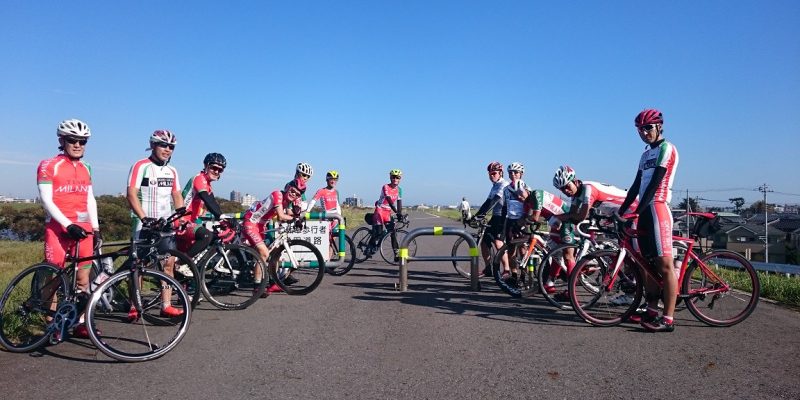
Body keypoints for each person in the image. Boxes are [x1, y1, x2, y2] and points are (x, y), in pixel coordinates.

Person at [37, 119, 100, 338]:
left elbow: (89, 198)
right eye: (73, 140)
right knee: (54, 278)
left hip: (83, 228)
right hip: (58, 229)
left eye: (82, 141)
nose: (78, 145)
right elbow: (46, 200)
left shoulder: (86, 167)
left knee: (83, 278)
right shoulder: (48, 165)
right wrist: (67, 224)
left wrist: (95, 227)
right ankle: (51, 323)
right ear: (62, 140)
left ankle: (80, 322)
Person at [618, 109, 680, 332]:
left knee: (665, 265)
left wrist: (637, 211)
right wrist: (622, 211)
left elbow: (655, 183)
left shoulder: (667, 148)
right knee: (648, 263)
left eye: (648, 128)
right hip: (644, 210)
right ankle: (651, 310)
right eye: (640, 129)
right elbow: (636, 186)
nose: (644, 133)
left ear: (659, 127)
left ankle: (668, 319)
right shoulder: (645, 155)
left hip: (658, 208)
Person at [551, 165, 638, 298]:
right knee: (625, 253)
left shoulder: (588, 189)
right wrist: (559, 218)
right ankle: (631, 292)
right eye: (562, 189)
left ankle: (641, 293)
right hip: (619, 215)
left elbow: (580, 216)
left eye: (567, 186)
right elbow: (573, 214)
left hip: (631, 210)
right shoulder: (576, 194)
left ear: (575, 181)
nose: (566, 191)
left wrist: (559, 218)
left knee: (634, 255)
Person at [126, 129, 185, 318]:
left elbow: (176, 195)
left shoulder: (172, 170)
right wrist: (143, 218)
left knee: (168, 264)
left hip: (165, 222)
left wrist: (181, 216)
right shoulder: (140, 166)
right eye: (163, 145)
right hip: (144, 222)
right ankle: (134, 305)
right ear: (152, 145)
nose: (167, 149)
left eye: (171, 147)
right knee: (138, 265)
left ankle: (166, 305)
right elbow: (131, 194)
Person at [242, 180, 306, 295]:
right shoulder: (278, 195)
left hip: (261, 226)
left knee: (276, 252)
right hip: (251, 223)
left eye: (297, 194)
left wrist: (298, 215)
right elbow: (281, 216)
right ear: (287, 188)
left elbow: (289, 213)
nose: (294, 194)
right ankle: (257, 287)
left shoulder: (286, 201)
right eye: (292, 191)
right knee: (264, 253)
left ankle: (273, 283)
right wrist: (295, 219)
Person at [177, 153, 227, 259]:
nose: (217, 172)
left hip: (192, 221)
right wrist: (221, 217)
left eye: (220, 170)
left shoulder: (208, 185)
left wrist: (224, 219)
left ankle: (183, 263)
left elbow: (213, 203)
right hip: (182, 221)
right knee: (206, 236)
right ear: (206, 166)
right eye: (214, 168)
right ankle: (182, 263)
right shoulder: (200, 178)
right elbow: (207, 200)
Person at [469, 162, 509, 277]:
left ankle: (506, 270)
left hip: (504, 217)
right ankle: (488, 269)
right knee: (484, 242)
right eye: (490, 174)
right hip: (495, 217)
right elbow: (487, 203)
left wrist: (480, 215)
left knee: (498, 243)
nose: (491, 176)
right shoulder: (494, 186)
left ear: (500, 173)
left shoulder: (504, 185)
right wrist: (475, 216)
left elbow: (494, 201)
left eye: (494, 173)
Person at [499, 162, 531, 286]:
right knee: (511, 250)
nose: (513, 174)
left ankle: (524, 275)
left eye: (516, 172)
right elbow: (504, 207)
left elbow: (531, 206)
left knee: (523, 250)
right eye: (510, 172)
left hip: (523, 221)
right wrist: (502, 223)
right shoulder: (506, 189)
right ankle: (514, 275)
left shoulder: (526, 187)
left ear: (521, 174)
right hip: (511, 221)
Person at [369, 169, 405, 260]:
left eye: (397, 177)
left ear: (400, 179)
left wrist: (400, 214)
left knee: (393, 233)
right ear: (390, 177)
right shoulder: (385, 187)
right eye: (393, 177)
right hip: (380, 210)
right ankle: (370, 246)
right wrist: (396, 212)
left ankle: (396, 255)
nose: (395, 179)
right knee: (378, 233)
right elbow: (389, 200)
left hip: (388, 212)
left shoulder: (399, 190)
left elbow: (399, 203)